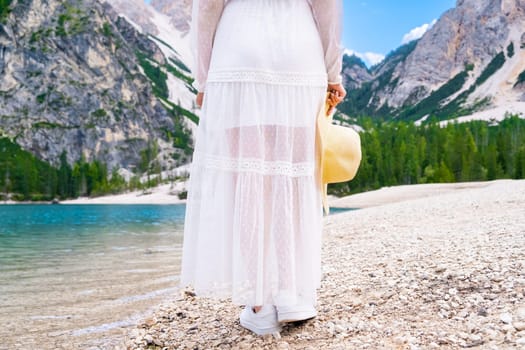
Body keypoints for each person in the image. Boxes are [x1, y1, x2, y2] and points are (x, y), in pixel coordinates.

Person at [181, 0, 346, 335]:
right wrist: (333, 74)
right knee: (292, 176)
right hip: (299, 54)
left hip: (239, 52)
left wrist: (203, 80)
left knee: (248, 181)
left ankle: (259, 304)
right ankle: (290, 293)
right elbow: (328, 8)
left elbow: (207, 8)